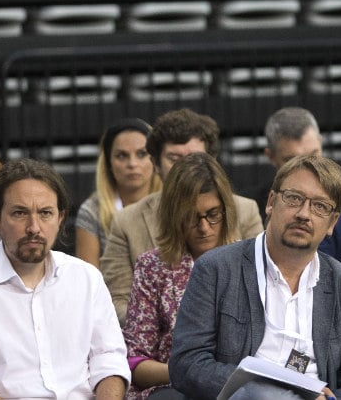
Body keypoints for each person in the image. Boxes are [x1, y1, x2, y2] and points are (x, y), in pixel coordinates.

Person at [168, 155, 341, 400]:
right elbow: (187, 364)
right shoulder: (216, 270)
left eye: (320, 206)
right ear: (271, 202)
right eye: (294, 198)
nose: (304, 214)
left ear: (333, 222)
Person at [0, 158, 129, 400]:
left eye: (45, 213)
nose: (34, 227)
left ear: (60, 218)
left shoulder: (86, 278)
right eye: (20, 213)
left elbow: (110, 361)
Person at [101, 109, 263, 323]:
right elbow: (116, 301)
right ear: (156, 164)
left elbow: (261, 287)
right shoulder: (127, 221)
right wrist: (167, 323)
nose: (186, 168)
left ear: (211, 161)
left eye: (196, 158)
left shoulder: (245, 210)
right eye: (174, 158)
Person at [124, 152, 240, 399]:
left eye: (213, 214)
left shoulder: (248, 262)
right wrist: (189, 373)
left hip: (236, 387)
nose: (204, 227)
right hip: (173, 387)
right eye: (191, 217)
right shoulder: (153, 266)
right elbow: (134, 361)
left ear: (226, 211)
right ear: (174, 215)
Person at [71, 119, 160, 267]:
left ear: (155, 159)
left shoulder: (171, 203)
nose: (132, 163)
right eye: (121, 156)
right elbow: (88, 281)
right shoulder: (91, 211)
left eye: (142, 154)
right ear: (108, 164)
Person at [243, 107, 324, 219]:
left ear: (321, 143)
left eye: (313, 156)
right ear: (270, 156)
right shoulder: (249, 210)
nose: (308, 168)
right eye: (292, 161)